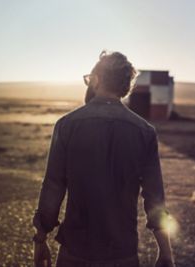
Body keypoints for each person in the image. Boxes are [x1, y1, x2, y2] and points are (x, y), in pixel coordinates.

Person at [32, 51, 175, 267]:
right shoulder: (144, 132)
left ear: (96, 79)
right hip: (122, 252)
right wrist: (165, 251)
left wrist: (40, 238)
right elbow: (154, 196)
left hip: (75, 250)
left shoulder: (67, 125)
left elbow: (53, 186)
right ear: (125, 87)